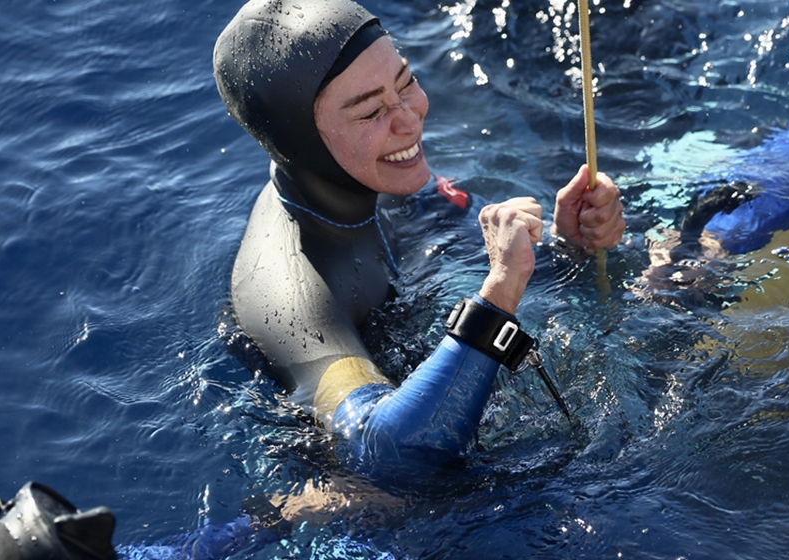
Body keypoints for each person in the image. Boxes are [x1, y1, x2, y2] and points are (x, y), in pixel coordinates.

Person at [213, 0, 625, 479]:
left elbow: (497, 264)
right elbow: (387, 453)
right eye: (370, 111)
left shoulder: (381, 175)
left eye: (406, 81)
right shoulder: (290, 287)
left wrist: (570, 245)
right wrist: (500, 294)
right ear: (300, 142)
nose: (409, 119)